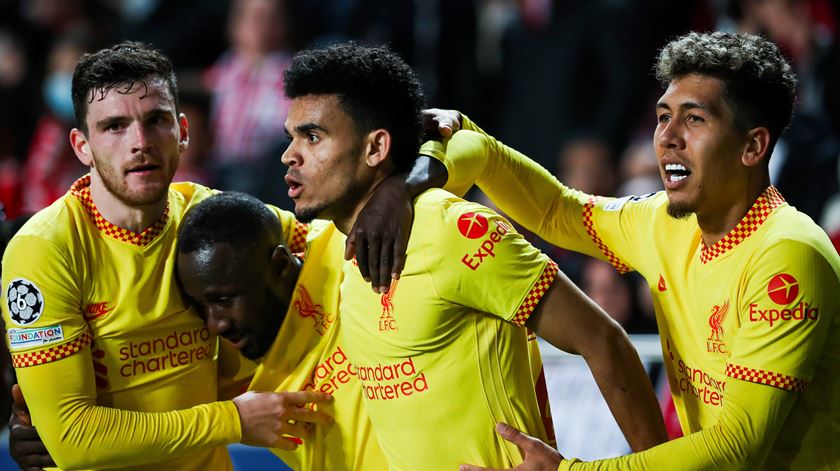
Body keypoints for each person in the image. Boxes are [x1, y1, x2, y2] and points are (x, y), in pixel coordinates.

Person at [413, 31, 839, 470]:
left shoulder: (788, 254)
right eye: (662, 116)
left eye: (694, 119)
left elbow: (737, 447)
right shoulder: (664, 223)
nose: (668, 137)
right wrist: (468, 136)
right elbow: (559, 210)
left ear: (753, 146)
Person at [280, 42, 667, 469]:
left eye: (312, 136)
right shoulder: (340, 245)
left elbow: (605, 341)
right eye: (292, 137)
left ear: (376, 148)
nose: (289, 155)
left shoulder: (450, 229)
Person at [1, 41, 334, 471]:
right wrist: (233, 419)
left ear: (183, 131)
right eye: (114, 127)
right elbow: (73, 438)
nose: (140, 142)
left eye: (155, 120)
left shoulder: (209, 215)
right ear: (81, 146)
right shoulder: (44, 250)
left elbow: (343, 242)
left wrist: (435, 145)